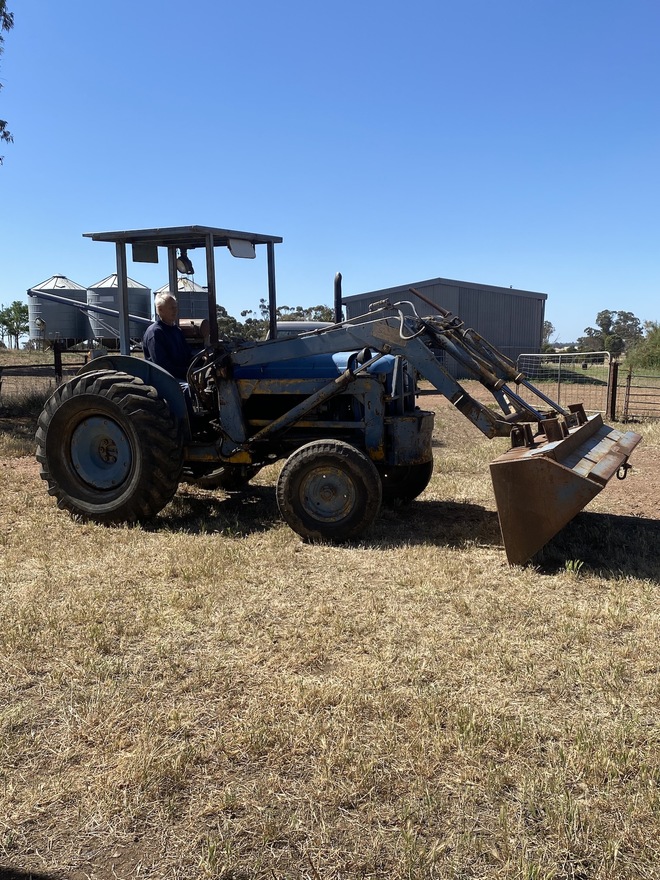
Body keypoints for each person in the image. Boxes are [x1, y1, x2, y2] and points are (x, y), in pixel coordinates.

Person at [143, 292, 193, 382]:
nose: (175, 310)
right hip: (165, 380)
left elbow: (188, 356)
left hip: (181, 375)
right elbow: (161, 365)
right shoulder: (155, 333)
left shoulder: (177, 331)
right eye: (171, 308)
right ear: (160, 309)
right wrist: (187, 373)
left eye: (175, 307)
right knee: (190, 391)